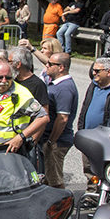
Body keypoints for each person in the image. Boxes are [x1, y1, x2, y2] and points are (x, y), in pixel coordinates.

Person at [0, 61, 49, 159]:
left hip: (6, 151)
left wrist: (21, 137)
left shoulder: (21, 94)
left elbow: (44, 117)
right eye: (0, 77)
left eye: (8, 77)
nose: (4, 81)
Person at [43, 53, 78, 189]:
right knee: (47, 178)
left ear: (61, 67)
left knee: (54, 180)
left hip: (57, 141)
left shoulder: (64, 88)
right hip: (52, 139)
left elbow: (62, 118)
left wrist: (51, 141)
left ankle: (61, 207)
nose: (47, 65)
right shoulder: (56, 84)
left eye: (50, 64)